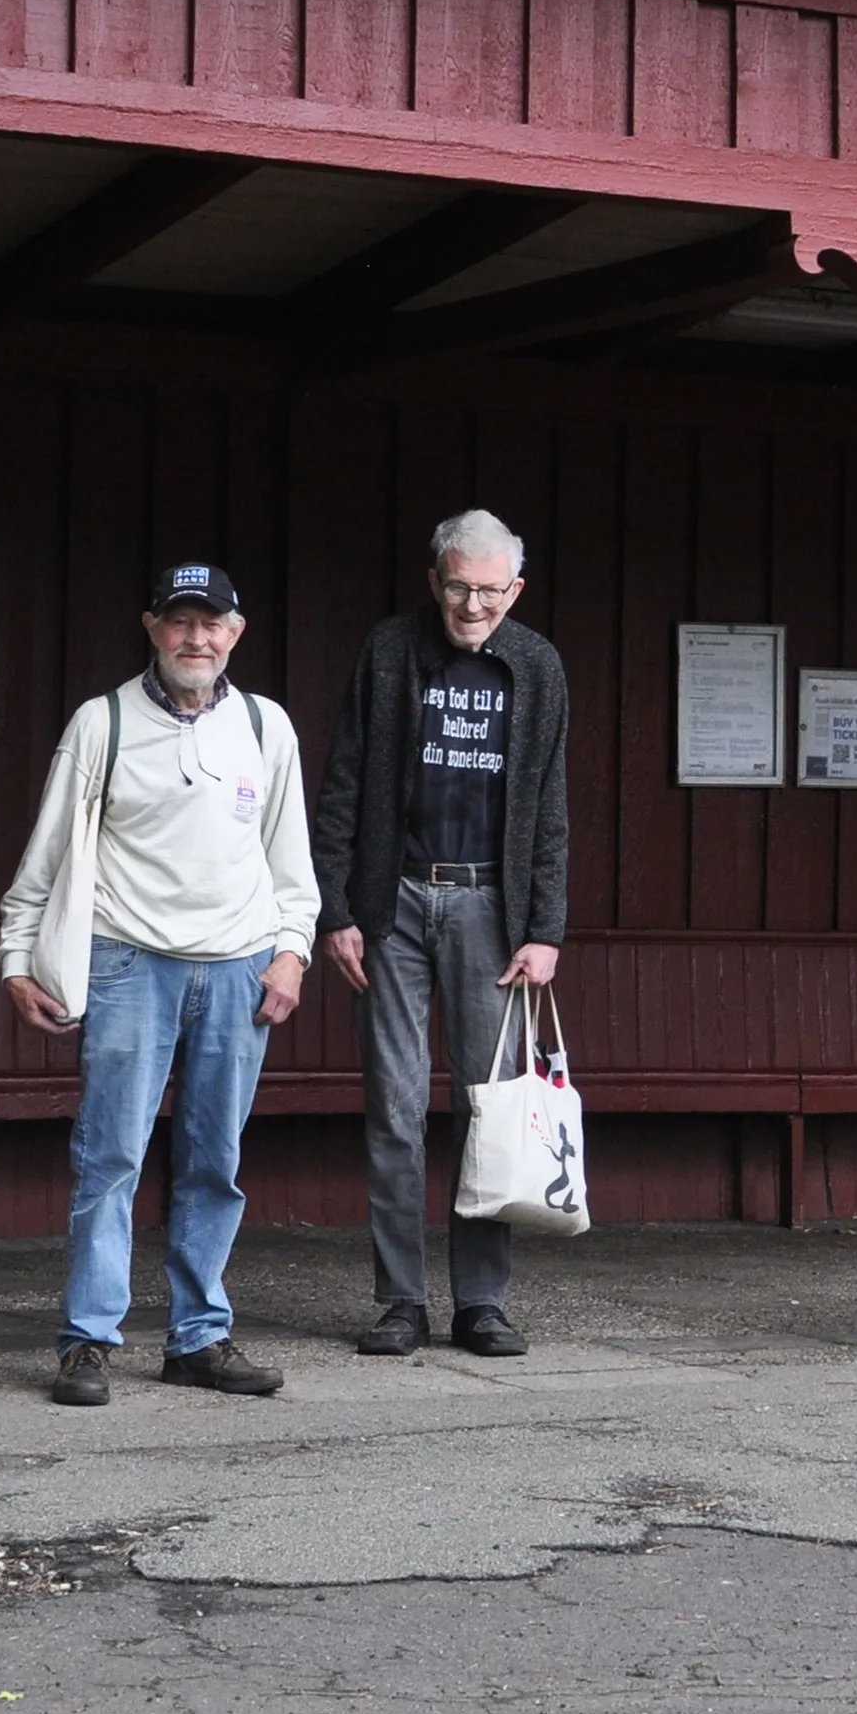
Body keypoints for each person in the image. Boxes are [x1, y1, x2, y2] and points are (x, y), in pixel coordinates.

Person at [0, 563, 318, 1408]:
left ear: (235, 633)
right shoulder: (102, 722)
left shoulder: (264, 725)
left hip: (240, 965)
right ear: (152, 628)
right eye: (180, 622)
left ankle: (199, 1338)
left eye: (212, 623)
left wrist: (292, 952)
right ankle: (88, 1342)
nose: (196, 638)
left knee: (215, 1160)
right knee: (110, 1157)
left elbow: (292, 861)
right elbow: (45, 855)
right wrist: (13, 955)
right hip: (127, 961)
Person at [312, 510, 572, 1359]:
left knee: (487, 1110)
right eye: (458, 586)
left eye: (490, 591)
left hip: (491, 914)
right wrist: (338, 909)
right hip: (393, 909)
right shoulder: (391, 652)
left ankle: (481, 1303)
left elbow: (551, 809)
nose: (472, 605)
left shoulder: (536, 665)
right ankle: (398, 1302)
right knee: (392, 1111)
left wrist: (545, 929)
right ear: (435, 580)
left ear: (515, 590)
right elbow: (344, 781)